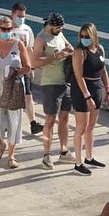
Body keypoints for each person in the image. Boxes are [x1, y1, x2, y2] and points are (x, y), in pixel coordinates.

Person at [0, 16, 32, 169]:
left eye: (10, 29)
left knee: (14, 122)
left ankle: (11, 155)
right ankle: (0, 144)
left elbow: (28, 66)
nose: (8, 31)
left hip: (14, 87)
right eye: (4, 29)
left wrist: (16, 71)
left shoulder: (18, 44)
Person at [31, 12, 75, 169]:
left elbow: (70, 47)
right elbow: (34, 61)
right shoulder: (41, 39)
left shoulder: (60, 34)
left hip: (65, 82)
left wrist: (67, 51)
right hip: (51, 84)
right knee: (50, 120)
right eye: (57, 27)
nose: (59, 29)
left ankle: (64, 152)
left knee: (65, 118)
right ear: (49, 25)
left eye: (61, 27)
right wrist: (55, 57)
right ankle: (46, 155)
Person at [70, 22, 109, 175]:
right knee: (81, 127)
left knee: (91, 126)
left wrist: (108, 90)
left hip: (97, 87)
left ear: (94, 36)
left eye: (87, 36)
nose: (84, 39)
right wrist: (87, 96)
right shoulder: (80, 52)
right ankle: (78, 162)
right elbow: (78, 76)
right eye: (82, 36)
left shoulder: (99, 49)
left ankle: (89, 156)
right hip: (82, 90)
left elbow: (103, 70)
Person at [10, 2, 43, 134]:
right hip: (11, 67)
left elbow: (30, 49)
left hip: (24, 67)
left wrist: (32, 68)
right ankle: (8, 122)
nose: (21, 18)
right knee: (10, 96)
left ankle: (33, 123)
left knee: (28, 95)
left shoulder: (27, 29)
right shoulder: (6, 29)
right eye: (19, 16)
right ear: (13, 14)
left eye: (23, 16)